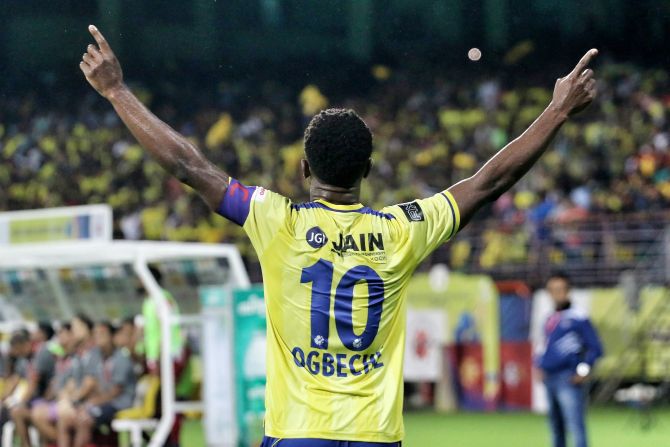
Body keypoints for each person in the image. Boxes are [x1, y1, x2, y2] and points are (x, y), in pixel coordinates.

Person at [80, 24, 598, 446]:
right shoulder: (403, 230)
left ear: (305, 168)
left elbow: (189, 166)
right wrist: (556, 111)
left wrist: (116, 91)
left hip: (298, 434)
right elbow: (489, 182)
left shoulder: (274, 219)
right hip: (375, 435)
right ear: (368, 169)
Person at [537, 272, 603, 447]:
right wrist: (540, 366)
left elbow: (595, 348)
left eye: (560, 289)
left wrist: (583, 371)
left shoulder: (578, 317)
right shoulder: (550, 319)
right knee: (555, 427)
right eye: (552, 290)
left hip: (569, 379)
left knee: (575, 426)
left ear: (568, 291)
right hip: (550, 378)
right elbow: (544, 347)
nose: (556, 294)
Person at [59, 321, 136, 447]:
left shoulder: (121, 358)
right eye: (95, 334)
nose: (98, 337)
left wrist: (92, 402)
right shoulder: (98, 357)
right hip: (103, 402)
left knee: (84, 420)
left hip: (119, 403)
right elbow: (94, 383)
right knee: (66, 420)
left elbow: (115, 392)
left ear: (112, 336)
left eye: (102, 334)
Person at [10, 323, 58, 447]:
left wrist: (21, 402)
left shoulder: (41, 353)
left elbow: (33, 383)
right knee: (16, 413)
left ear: (25, 345)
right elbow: (14, 379)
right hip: (37, 401)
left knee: (26, 411)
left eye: (18, 351)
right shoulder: (24, 358)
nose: (18, 355)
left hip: (50, 399)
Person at [31, 323, 76, 445]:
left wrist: (67, 397)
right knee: (37, 413)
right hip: (58, 399)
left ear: (72, 335)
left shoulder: (76, 357)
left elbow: (75, 382)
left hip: (70, 401)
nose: (59, 336)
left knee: (50, 415)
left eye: (62, 333)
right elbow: (54, 381)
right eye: (58, 333)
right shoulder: (61, 357)